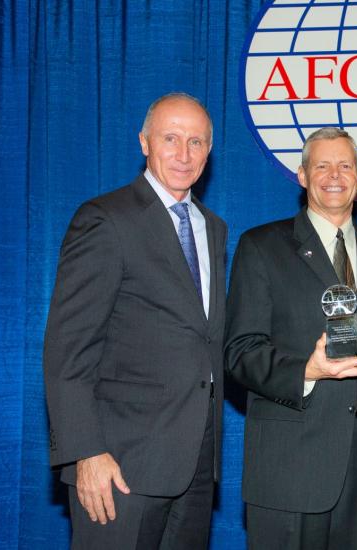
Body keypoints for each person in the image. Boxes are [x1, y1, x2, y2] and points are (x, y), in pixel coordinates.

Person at [43, 92, 226, 548]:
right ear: (144, 142)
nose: (184, 154)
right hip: (119, 468)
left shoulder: (213, 227)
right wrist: (86, 452)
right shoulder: (105, 219)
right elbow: (68, 350)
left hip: (196, 467)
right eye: (171, 138)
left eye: (197, 142)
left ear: (209, 150)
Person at [224, 127, 357, 549]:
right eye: (321, 165)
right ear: (302, 175)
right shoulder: (262, 246)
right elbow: (239, 350)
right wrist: (305, 371)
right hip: (290, 464)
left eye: (345, 165)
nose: (334, 175)